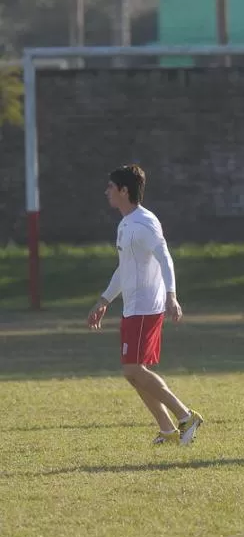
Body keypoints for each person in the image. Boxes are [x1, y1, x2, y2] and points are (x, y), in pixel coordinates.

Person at [87, 165, 204, 445]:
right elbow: (123, 268)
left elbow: (165, 258)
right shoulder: (125, 223)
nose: (107, 192)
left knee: (133, 369)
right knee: (133, 374)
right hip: (131, 308)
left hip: (146, 308)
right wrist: (104, 300)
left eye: (111, 187)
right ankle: (167, 429)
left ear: (124, 191)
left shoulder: (145, 223)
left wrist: (171, 296)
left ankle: (186, 415)